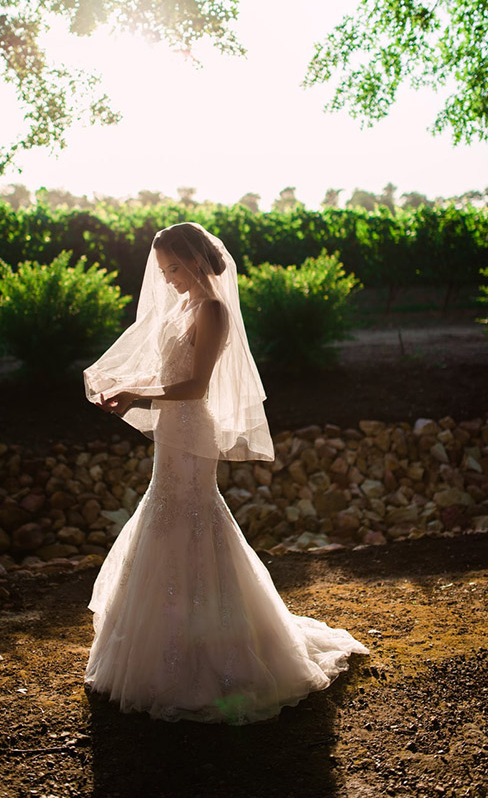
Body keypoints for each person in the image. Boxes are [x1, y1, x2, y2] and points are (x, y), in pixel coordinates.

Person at [83, 222, 367, 724]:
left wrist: (136, 396)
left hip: (192, 433)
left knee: (190, 519)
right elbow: (171, 374)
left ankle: (217, 646)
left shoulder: (212, 309)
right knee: (167, 518)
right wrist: (125, 384)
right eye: (163, 269)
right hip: (175, 432)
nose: (167, 278)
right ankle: (168, 638)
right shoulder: (183, 308)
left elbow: (194, 387)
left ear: (196, 260)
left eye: (173, 267)